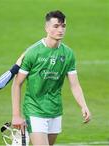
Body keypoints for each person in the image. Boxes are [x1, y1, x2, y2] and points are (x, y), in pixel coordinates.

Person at [11, 10, 91, 146]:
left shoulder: (68, 54)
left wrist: (83, 105)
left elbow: (74, 85)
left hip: (55, 110)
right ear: (46, 28)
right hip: (34, 109)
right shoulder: (32, 52)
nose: (60, 30)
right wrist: (16, 115)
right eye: (56, 26)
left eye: (63, 26)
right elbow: (16, 84)